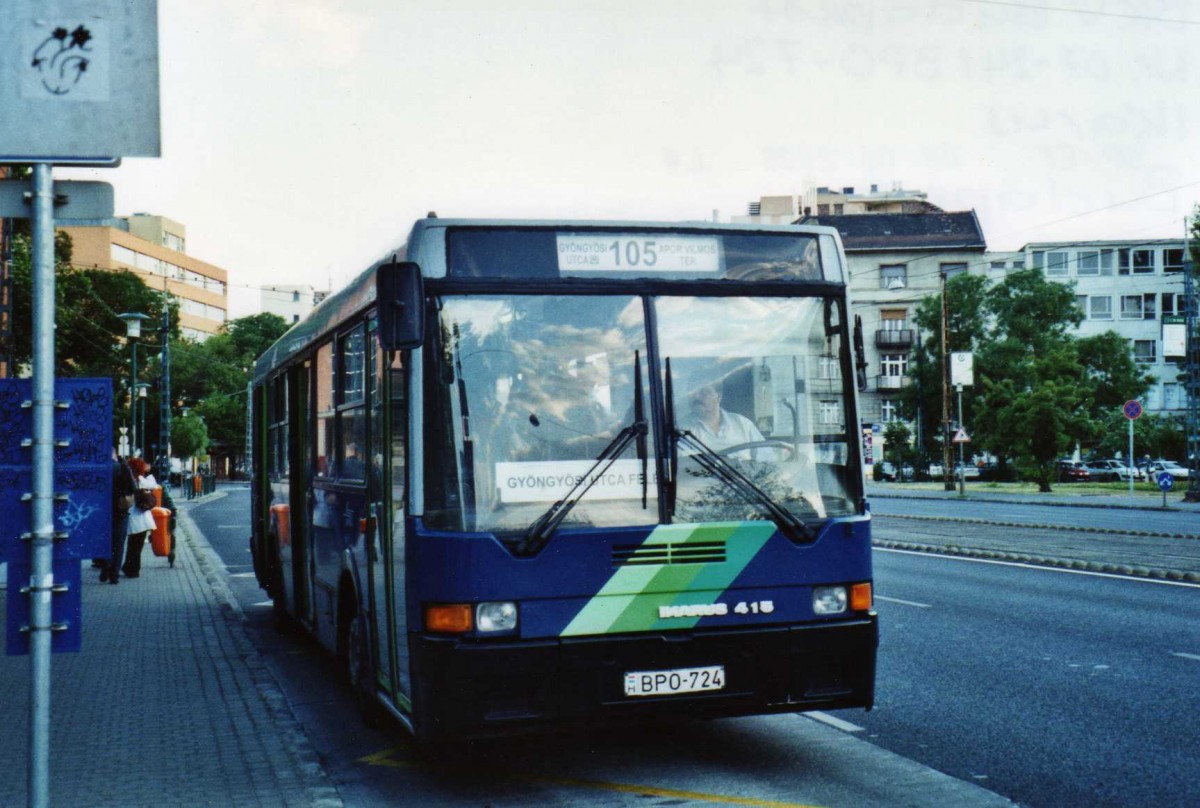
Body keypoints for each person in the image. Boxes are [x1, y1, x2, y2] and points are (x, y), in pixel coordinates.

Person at [682, 382, 772, 461]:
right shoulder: (680, 428)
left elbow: (767, 459)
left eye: (703, 392)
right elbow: (683, 466)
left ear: (718, 396)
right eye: (692, 392)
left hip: (743, 479)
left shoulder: (742, 423)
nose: (696, 397)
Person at [102, 449, 137, 584]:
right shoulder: (123, 467)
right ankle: (114, 574)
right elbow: (133, 487)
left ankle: (105, 567)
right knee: (118, 543)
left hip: (103, 510)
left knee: (105, 540)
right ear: (115, 454)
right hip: (121, 509)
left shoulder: (101, 467)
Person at [121, 457, 158, 578]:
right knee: (138, 545)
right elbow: (155, 485)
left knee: (132, 544)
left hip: (132, 516)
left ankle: (130, 568)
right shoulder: (141, 479)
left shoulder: (128, 479)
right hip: (143, 517)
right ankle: (132, 569)